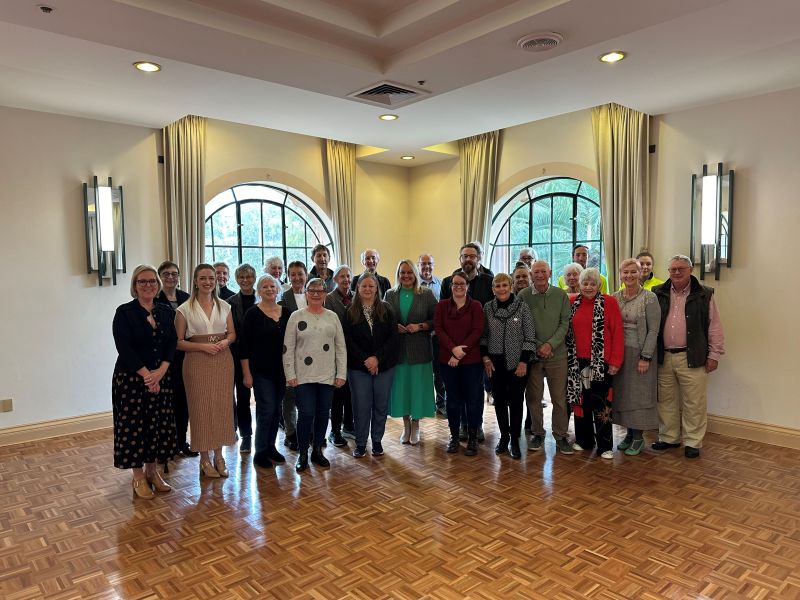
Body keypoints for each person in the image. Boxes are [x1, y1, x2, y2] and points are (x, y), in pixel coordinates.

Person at [112, 265, 178, 499]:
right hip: (132, 379)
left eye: (152, 281)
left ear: (158, 284)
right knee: (134, 428)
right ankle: (138, 476)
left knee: (157, 426)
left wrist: (161, 371)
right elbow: (124, 348)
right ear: (135, 285)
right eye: (143, 282)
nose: (148, 285)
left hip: (161, 376)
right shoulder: (124, 312)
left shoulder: (166, 311)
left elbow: (172, 343)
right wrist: (147, 375)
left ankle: (153, 472)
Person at [652, 255, 725, 458]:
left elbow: (715, 326)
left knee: (694, 402)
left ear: (690, 270)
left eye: (681, 269)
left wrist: (714, 355)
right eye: (672, 269)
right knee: (665, 400)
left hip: (692, 356)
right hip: (663, 356)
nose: (676, 272)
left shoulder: (704, 294)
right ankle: (669, 437)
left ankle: (693, 441)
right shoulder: (658, 292)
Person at [176, 263, 237, 478]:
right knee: (201, 410)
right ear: (195, 281)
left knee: (221, 408)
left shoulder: (225, 306)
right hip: (196, 362)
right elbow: (179, 342)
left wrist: (225, 343)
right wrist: (203, 346)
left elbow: (232, 334)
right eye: (203, 278)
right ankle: (204, 459)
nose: (208, 282)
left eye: (211, 278)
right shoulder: (184, 309)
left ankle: (219, 457)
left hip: (222, 360)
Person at [283, 278, 347, 472]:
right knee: (306, 413)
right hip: (303, 375)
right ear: (306, 293)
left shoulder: (332, 317)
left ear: (326, 294)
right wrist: (290, 374)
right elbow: (288, 348)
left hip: (327, 374)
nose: (316, 294)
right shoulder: (296, 316)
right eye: (312, 291)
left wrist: (341, 373)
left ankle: (317, 451)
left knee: (322, 414)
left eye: (320, 291)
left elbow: (340, 347)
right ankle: (302, 453)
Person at [566, 267, 624, 459]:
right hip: (577, 363)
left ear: (599, 285)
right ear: (579, 285)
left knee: (601, 404)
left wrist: (615, 361)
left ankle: (605, 446)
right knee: (581, 403)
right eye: (585, 283)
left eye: (592, 283)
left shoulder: (609, 302)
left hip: (601, 363)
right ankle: (583, 440)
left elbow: (617, 333)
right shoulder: (572, 302)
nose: (588, 287)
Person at [518, 260, 573, 455]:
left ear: (550, 273)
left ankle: (560, 435)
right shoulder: (523, 296)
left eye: (543, 271)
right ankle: (538, 433)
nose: (539, 275)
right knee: (533, 397)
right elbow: (522, 325)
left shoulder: (560, 295)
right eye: (536, 272)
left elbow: (565, 323)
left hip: (557, 355)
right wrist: (539, 345)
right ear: (531, 275)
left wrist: (550, 344)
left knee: (559, 398)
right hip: (533, 356)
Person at [440, 243, 494, 441]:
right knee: (455, 393)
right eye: (464, 256)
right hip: (451, 349)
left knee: (474, 392)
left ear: (478, 258)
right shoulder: (448, 282)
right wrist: (454, 349)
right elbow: (443, 317)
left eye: (472, 256)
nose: (468, 259)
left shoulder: (489, 281)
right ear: (460, 259)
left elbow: (485, 321)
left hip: (476, 347)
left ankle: (475, 425)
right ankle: (461, 426)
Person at [480, 273, 537, 459]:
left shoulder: (522, 307)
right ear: (493, 289)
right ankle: (503, 437)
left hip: (517, 363)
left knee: (516, 401)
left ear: (511, 286)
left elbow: (529, 337)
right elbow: (483, 336)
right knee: (500, 401)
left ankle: (514, 439)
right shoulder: (488, 308)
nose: (502, 289)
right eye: (498, 286)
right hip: (494, 364)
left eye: (505, 285)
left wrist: (523, 362)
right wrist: (485, 357)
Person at [344, 273, 400, 458]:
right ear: (357, 289)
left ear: (377, 289)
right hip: (358, 367)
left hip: (384, 366)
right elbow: (348, 341)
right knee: (361, 406)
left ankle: (377, 441)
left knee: (380, 405)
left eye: (371, 286)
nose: (368, 289)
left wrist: (377, 358)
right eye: (364, 286)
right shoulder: (349, 311)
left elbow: (393, 338)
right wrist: (367, 360)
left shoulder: (387, 309)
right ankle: (360, 443)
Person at [239, 274, 291, 469]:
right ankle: (260, 451)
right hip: (260, 371)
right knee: (266, 409)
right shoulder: (252, 314)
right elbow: (243, 346)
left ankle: (271, 446)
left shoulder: (286, 312)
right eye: (265, 287)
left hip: (282, 370)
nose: (269, 289)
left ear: (277, 289)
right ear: (259, 291)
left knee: (276, 410)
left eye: (272, 286)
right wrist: (246, 373)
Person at [385, 260, 437, 445]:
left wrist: (421, 326)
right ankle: (406, 425)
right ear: (398, 274)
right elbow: (383, 320)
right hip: (398, 353)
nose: (406, 276)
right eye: (402, 272)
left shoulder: (427, 294)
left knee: (417, 390)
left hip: (420, 351)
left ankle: (416, 425)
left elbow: (436, 321)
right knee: (402, 390)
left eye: (409, 272)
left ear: (415, 274)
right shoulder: (389, 294)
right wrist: (393, 327)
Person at [434, 270, 485, 455]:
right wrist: (453, 350)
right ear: (450, 286)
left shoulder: (476, 306)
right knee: (452, 401)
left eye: (462, 284)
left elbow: (477, 331)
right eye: (455, 284)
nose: (458, 287)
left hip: (471, 361)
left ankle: (472, 439)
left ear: (467, 286)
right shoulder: (441, 306)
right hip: (447, 360)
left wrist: (459, 353)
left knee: (472, 400)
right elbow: (439, 330)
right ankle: (454, 437)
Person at [613, 258, 661, 456]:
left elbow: (653, 330)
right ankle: (629, 434)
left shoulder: (650, 298)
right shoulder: (615, 297)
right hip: (619, 354)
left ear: (641, 273)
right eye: (625, 272)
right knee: (623, 395)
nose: (629, 276)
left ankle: (639, 436)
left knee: (639, 396)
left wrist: (646, 357)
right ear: (620, 274)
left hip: (640, 353)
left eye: (633, 272)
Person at [154, 260, 196, 458]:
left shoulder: (186, 298)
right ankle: (166, 445)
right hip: (162, 358)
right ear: (160, 277)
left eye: (174, 274)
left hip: (184, 356)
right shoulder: (154, 298)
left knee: (183, 401)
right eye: (166, 274)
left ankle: (181, 441)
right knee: (165, 403)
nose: (171, 277)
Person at [227, 263, 257, 454]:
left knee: (264, 399)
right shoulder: (229, 302)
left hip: (261, 356)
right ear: (236, 280)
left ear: (254, 278)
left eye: (248, 277)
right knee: (243, 398)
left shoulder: (263, 297)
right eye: (241, 277)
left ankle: (265, 437)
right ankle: (246, 436)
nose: (245, 280)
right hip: (237, 356)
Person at [278, 260, 308, 450]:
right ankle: (291, 433)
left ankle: (308, 430)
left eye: (300, 274)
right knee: (289, 396)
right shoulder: (282, 300)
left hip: (313, 356)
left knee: (307, 396)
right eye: (293, 274)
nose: (297, 278)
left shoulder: (315, 296)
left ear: (306, 275)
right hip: (291, 354)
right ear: (289, 277)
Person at [324, 265, 356, 445]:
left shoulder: (355, 297)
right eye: (342, 276)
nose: (345, 280)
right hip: (335, 352)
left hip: (354, 352)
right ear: (335, 279)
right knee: (338, 393)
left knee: (352, 392)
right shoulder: (329, 299)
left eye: (348, 276)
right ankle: (335, 431)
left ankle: (349, 426)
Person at [418, 253, 445, 415]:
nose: (427, 266)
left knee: (439, 372)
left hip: (437, 336)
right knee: (422, 371)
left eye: (430, 263)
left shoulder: (442, 284)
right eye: (423, 264)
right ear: (418, 265)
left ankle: (441, 402)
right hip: (419, 336)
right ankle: (421, 402)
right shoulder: (413, 285)